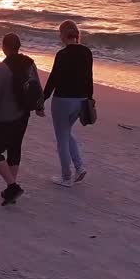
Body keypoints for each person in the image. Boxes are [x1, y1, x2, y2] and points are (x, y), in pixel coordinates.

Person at [0, 33, 44, 205]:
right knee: (15, 149)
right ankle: (11, 190)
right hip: (23, 115)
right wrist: (39, 107)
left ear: (4, 47)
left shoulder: (0, 68)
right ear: (19, 46)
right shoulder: (30, 63)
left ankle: (12, 186)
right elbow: (36, 86)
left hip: (3, 118)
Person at [42, 20, 93, 187]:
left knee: (61, 139)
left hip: (62, 101)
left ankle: (66, 176)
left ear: (63, 35)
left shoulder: (62, 55)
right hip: (80, 101)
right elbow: (89, 78)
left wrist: (42, 100)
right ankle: (79, 167)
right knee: (66, 133)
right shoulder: (87, 52)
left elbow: (53, 79)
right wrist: (89, 98)